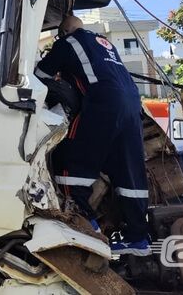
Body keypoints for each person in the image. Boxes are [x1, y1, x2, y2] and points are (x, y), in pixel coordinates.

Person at [36, 15, 150, 256]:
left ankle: (88, 226)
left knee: (71, 159)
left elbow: (40, 75)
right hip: (132, 106)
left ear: (64, 31)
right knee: (128, 171)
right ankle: (138, 239)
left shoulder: (67, 43)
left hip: (103, 102)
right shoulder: (105, 44)